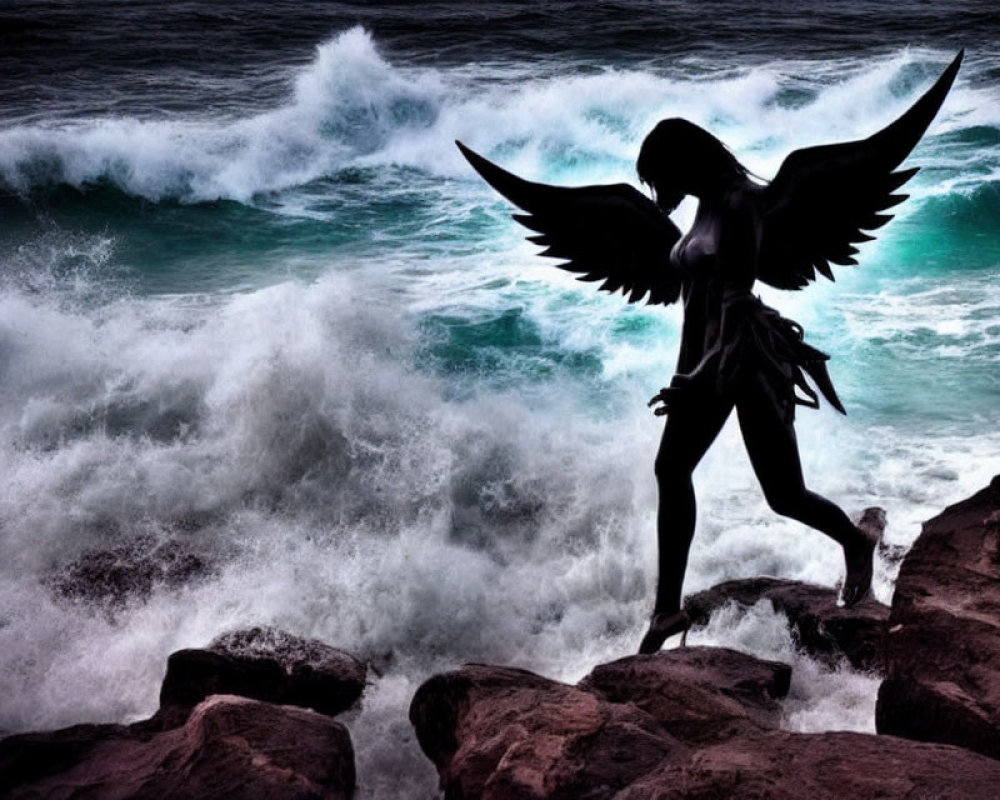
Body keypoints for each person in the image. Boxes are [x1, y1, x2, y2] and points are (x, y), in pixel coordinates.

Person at [456, 51, 961, 654]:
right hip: (702, 366)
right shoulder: (700, 209)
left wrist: (696, 377)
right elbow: (688, 291)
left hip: (742, 364)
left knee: (780, 493)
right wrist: (688, 372)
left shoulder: (744, 204)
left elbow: (737, 304)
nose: (657, 192)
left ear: (681, 163)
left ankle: (852, 544)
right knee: (689, 473)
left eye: (659, 178)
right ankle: (668, 610)